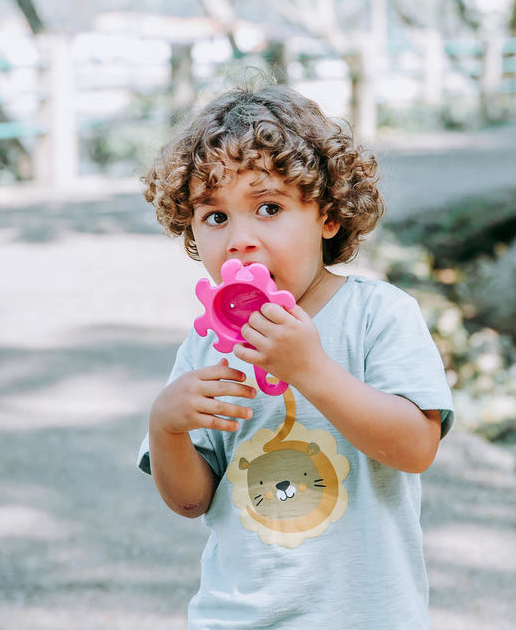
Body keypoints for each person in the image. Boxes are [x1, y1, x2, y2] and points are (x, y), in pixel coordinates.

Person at [138, 79, 454, 629]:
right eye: (215, 217)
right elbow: (191, 501)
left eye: (268, 207)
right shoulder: (209, 343)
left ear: (328, 216)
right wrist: (165, 426)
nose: (239, 238)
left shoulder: (378, 314)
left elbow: (415, 446)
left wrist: (311, 370)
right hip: (236, 617)